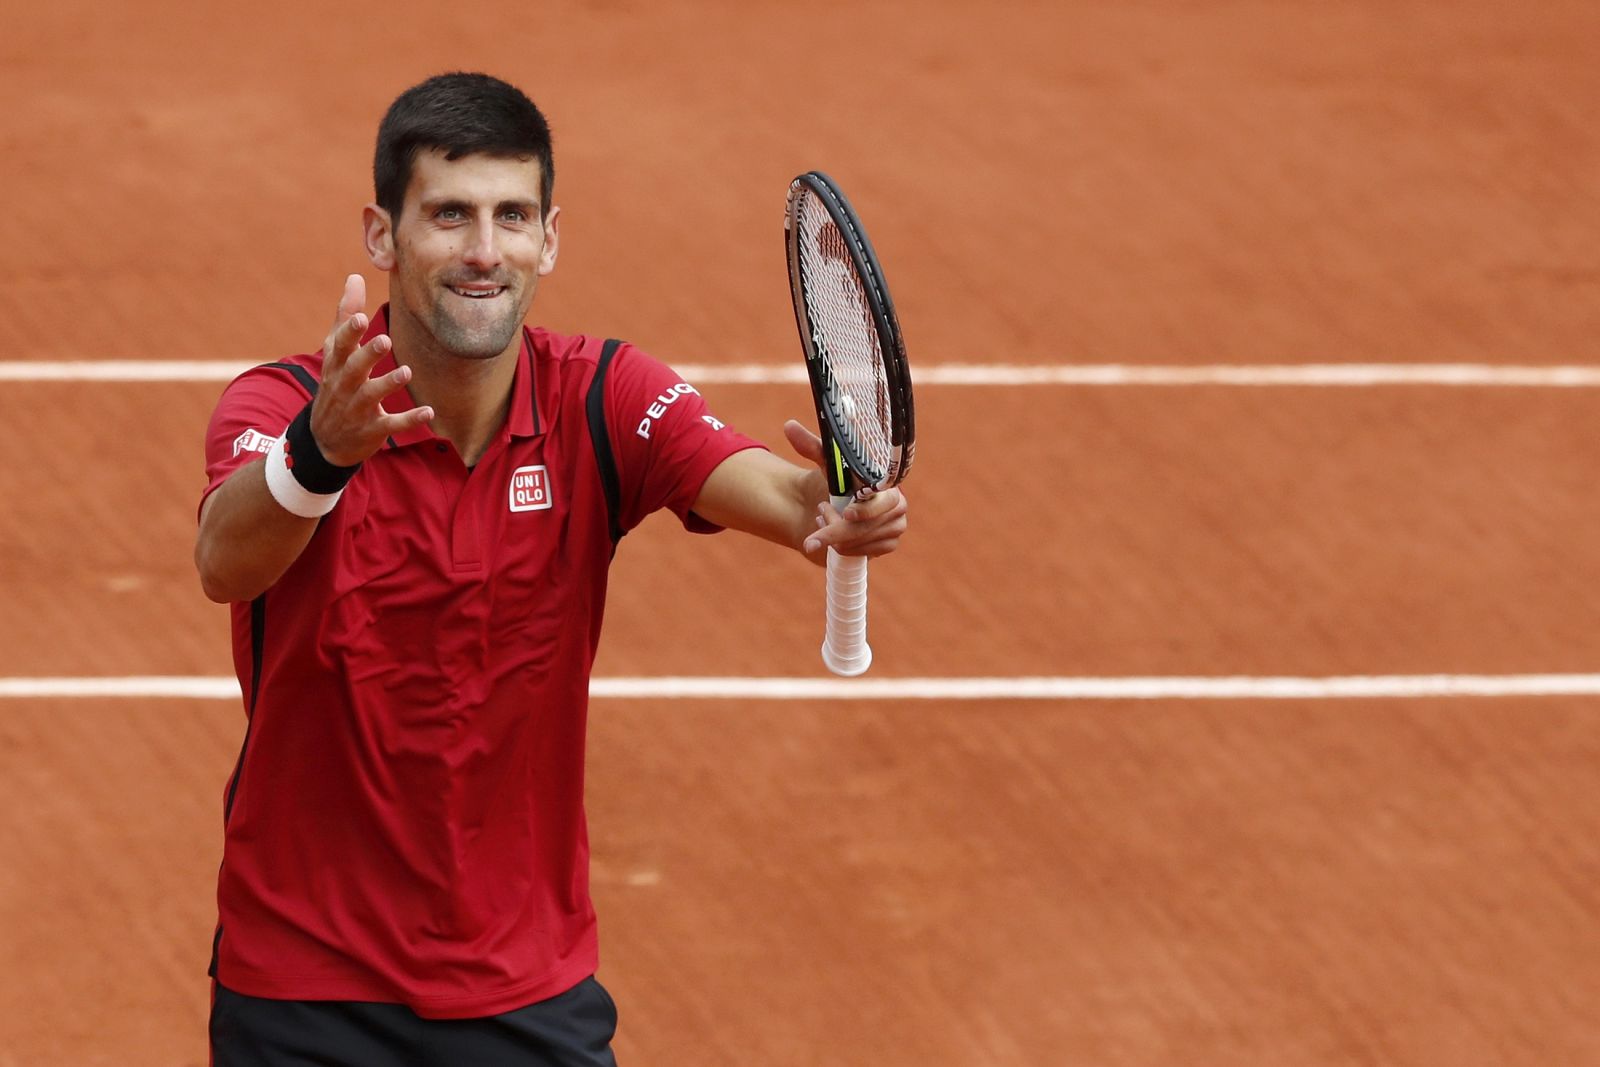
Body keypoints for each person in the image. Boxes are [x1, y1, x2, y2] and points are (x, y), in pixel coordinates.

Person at [193, 71, 907, 1066]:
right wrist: (319, 452)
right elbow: (226, 558)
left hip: (523, 980)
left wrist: (831, 511)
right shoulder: (283, 406)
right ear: (380, 234)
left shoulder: (606, 398)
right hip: (306, 983)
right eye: (448, 214)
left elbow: (776, 494)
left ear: (549, 238)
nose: (485, 250)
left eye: (512, 216)